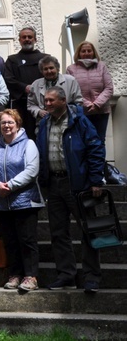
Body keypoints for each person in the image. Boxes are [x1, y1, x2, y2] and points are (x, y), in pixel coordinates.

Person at [36, 87, 105, 293]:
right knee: (58, 233)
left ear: (63, 100)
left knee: (88, 231)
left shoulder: (79, 120)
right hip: (54, 185)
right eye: (45, 101)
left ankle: (92, 277)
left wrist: (95, 180)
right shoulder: (44, 123)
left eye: (51, 101)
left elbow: (96, 148)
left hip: (78, 185)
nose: (46, 104)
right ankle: (66, 275)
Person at [0, 109, 43, 292]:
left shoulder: (29, 144)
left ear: (18, 124)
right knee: (10, 241)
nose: (7, 126)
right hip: (2, 203)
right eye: (3, 123)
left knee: (27, 240)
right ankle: (15, 274)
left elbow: (32, 170)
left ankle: (31, 276)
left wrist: (9, 186)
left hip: (25, 201)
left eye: (10, 122)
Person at [3, 27, 48, 140]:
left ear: (35, 40)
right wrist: (24, 87)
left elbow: (51, 76)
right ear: (19, 40)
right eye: (24, 37)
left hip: (41, 104)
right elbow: (8, 79)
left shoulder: (45, 58)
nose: (27, 39)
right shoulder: (12, 60)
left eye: (30, 37)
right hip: (20, 104)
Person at [65, 41, 113, 144]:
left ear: (93, 52)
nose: (86, 53)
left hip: (101, 111)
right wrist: (87, 104)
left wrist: (96, 104)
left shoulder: (101, 66)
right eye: (83, 51)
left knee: (100, 140)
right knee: (83, 140)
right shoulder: (71, 69)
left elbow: (109, 88)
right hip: (82, 111)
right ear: (79, 53)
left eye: (89, 51)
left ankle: (99, 161)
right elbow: (71, 90)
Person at [27, 56, 83, 126]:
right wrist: (38, 111)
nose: (49, 71)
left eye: (51, 68)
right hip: (44, 123)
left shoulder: (71, 81)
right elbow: (31, 104)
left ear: (58, 68)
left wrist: (65, 112)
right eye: (45, 69)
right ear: (41, 71)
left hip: (68, 122)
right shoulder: (35, 84)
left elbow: (78, 101)